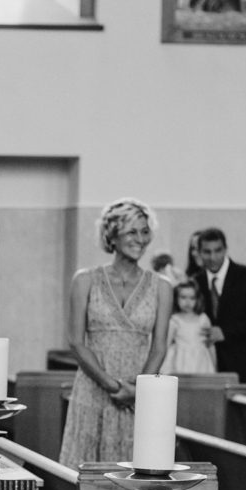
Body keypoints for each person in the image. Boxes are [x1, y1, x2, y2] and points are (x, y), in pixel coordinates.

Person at [58, 198, 172, 465]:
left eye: (145, 232)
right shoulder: (85, 279)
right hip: (93, 388)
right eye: (132, 231)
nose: (141, 239)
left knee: (135, 471)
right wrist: (111, 384)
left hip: (138, 395)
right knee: (85, 472)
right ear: (113, 235)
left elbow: (160, 346)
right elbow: (76, 341)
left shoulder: (162, 286)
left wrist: (137, 389)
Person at [192, 227, 246, 383]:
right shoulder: (196, 281)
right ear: (199, 253)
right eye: (207, 252)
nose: (213, 257)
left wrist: (225, 332)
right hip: (209, 364)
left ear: (226, 250)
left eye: (218, 251)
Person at [161, 279, 216, 374]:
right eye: (183, 297)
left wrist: (215, 366)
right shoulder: (174, 320)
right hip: (180, 362)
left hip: (201, 362)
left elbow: (210, 344)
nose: (187, 302)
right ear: (176, 298)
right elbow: (166, 344)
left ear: (197, 299)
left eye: (192, 298)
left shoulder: (203, 319)